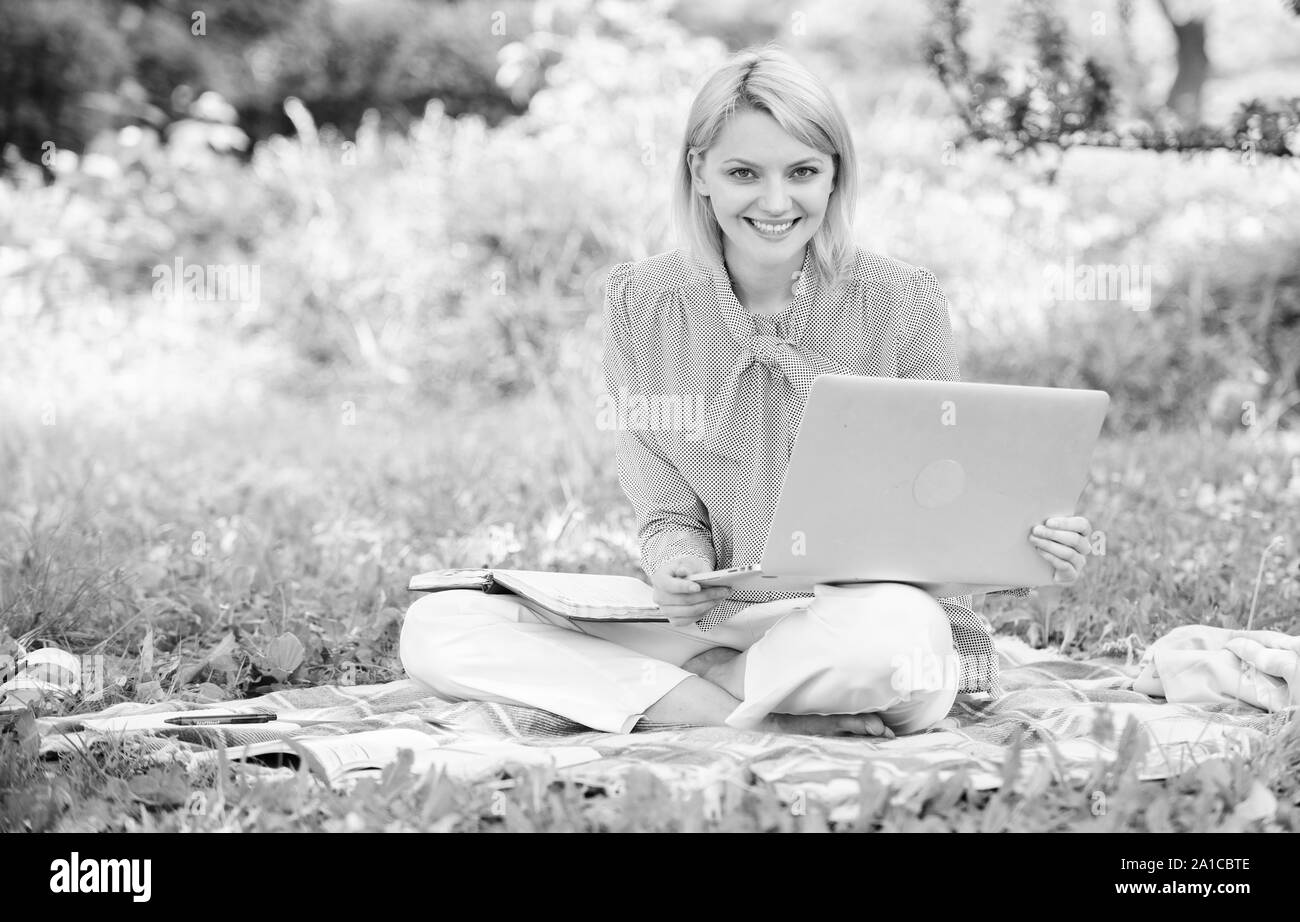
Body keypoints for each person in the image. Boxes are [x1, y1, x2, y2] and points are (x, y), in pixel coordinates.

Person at [399, 46, 1093, 737]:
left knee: (905, 641)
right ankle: (735, 713)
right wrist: (677, 569)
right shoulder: (641, 303)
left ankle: (693, 701)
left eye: (802, 172)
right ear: (699, 172)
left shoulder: (900, 301)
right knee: (441, 623)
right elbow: (668, 513)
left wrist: (1027, 539)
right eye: (743, 173)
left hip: (854, 625)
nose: (774, 201)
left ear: (833, 177)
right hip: (716, 626)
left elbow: (935, 517)